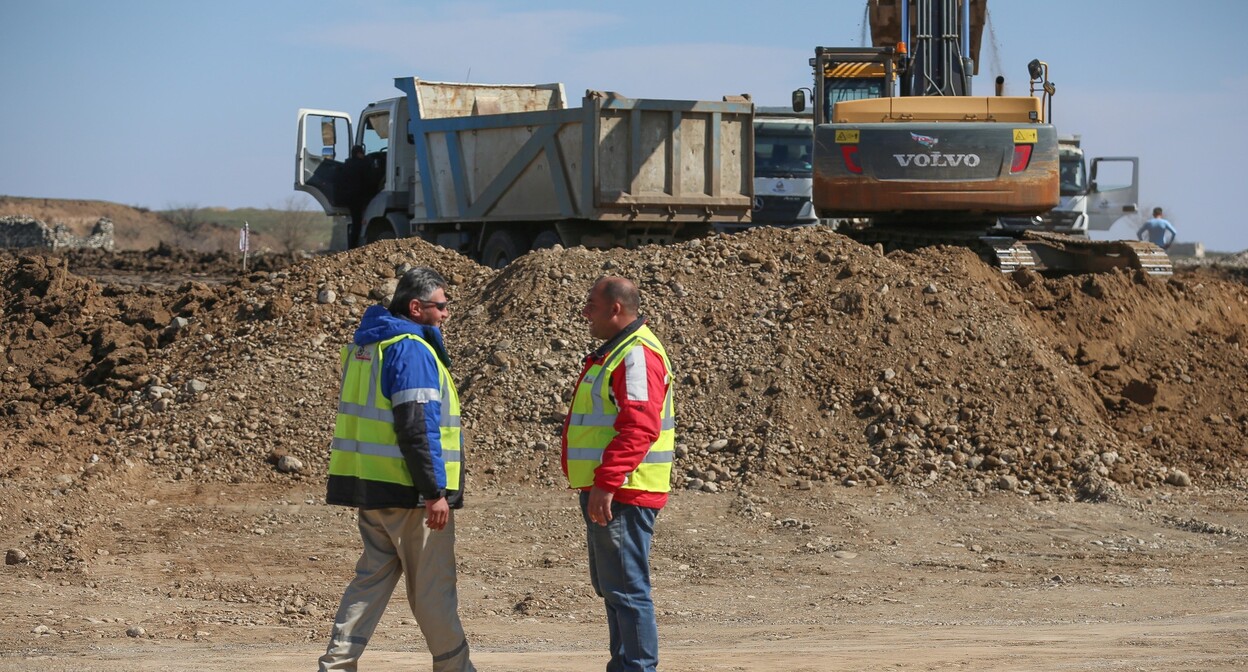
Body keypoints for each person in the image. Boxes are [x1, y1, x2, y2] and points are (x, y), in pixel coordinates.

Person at [319, 266, 475, 672]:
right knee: (433, 591)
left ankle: (336, 665)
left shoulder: (369, 346)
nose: (446, 313)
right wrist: (434, 492)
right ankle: (456, 668)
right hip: (410, 496)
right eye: (441, 306)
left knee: (369, 582)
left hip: (372, 487)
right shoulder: (411, 349)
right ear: (416, 306)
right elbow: (416, 426)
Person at [562, 276, 675, 672]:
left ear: (615, 309)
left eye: (591, 304)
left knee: (626, 591)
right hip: (615, 490)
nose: (584, 312)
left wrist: (607, 483)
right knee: (614, 589)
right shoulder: (618, 352)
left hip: (625, 492)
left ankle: (637, 668)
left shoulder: (635, 356)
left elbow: (641, 426)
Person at [340, 144, 373, 248]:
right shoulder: (362, 164)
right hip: (358, 198)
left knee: (355, 223)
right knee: (357, 224)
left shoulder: (347, 164)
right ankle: (354, 247)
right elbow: (368, 181)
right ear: (359, 153)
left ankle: (352, 246)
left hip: (349, 198)